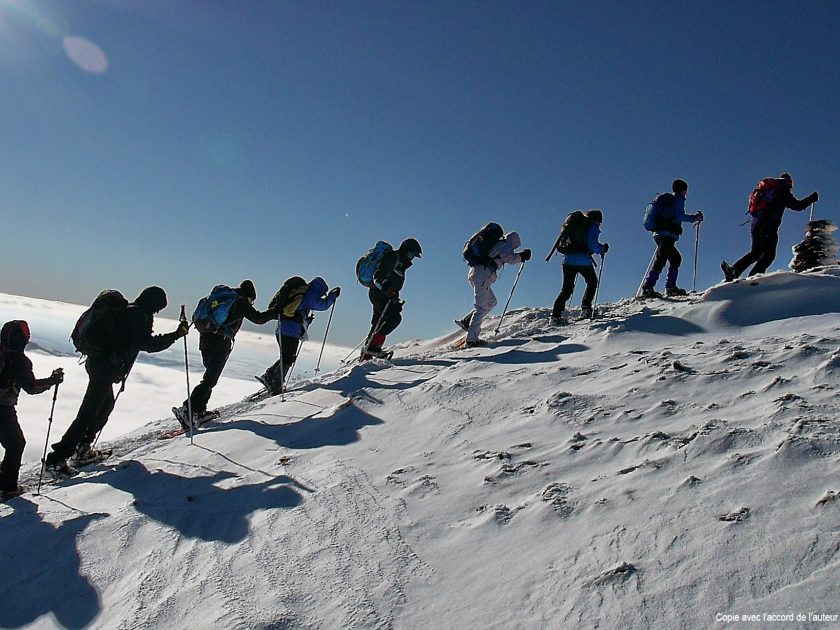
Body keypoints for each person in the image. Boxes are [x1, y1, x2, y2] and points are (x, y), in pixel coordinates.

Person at [45, 287, 187, 475]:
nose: (157, 311)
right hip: (105, 367)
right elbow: (146, 343)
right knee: (88, 413)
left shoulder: (132, 311)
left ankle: (82, 449)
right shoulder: (137, 314)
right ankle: (56, 460)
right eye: (158, 307)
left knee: (104, 407)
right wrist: (176, 334)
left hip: (100, 364)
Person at [174, 280, 273, 429]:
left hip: (205, 338)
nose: (251, 303)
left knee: (209, 376)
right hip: (221, 341)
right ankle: (188, 409)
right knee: (210, 378)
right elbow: (259, 319)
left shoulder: (222, 298)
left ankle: (199, 410)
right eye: (252, 300)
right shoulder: (240, 302)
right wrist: (275, 311)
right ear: (249, 296)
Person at [0, 321, 64, 499]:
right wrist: (53, 380)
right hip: (3, 407)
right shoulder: (18, 359)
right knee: (16, 444)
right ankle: (8, 487)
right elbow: (32, 387)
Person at [721, 173, 819, 280]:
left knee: (756, 252)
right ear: (788, 183)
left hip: (755, 223)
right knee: (769, 255)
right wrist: (811, 198)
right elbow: (798, 206)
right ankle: (754, 278)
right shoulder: (782, 191)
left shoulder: (767, 191)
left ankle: (735, 270)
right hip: (768, 225)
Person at [258, 277, 340, 395]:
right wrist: (333, 296)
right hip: (291, 331)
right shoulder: (310, 295)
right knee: (288, 358)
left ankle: (269, 375)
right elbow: (323, 305)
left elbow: (297, 312)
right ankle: (276, 384)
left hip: (281, 329)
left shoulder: (301, 293)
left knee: (286, 356)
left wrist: (305, 320)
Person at [456, 230, 531, 347]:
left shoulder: (498, 244)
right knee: (481, 307)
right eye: (516, 244)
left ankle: (467, 322)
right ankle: (471, 340)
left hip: (477, 273)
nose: (516, 247)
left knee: (491, 302)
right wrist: (522, 256)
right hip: (482, 274)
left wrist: (520, 256)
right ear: (513, 241)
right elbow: (510, 258)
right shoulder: (504, 245)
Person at [640, 178, 703, 298]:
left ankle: (665, 286)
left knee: (674, 258)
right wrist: (694, 217)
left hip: (659, 233)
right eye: (685, 191)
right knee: (663, 260)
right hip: (667, 234)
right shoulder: (678, 200)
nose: (686, 194)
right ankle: (651, 287)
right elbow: (679, 215)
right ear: (682, 190)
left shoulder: (667, 200)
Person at [364, 238, 422, 359]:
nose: (412, 258)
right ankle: (372, 347)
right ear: (405, 250)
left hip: (384, 296)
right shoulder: (392, 257)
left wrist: (395, 299)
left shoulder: (401, 263)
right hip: (378, 294)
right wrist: (387, 288)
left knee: (377, 323)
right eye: (411, 254)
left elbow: (394, 283)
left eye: (414, 256)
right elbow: (378, 276)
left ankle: (366, 356)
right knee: (394, 318)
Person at [549, 210, 608, 324]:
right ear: (598, 220)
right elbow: (592, 245)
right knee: (592, 282)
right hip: (583, 261)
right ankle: (586, 308)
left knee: (566, 289)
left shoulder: (576, 224)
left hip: (567, 260)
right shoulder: (592, 226)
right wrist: (602, 248)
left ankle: (555, 316)